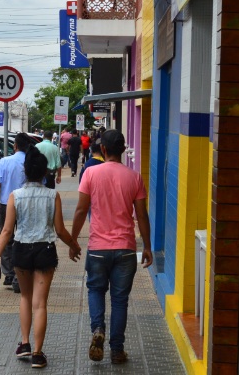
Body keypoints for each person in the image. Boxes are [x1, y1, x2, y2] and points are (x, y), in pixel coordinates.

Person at [0, 146, 80, 369]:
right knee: (40, 304)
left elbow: (7, 231)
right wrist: (74, 245)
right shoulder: (53, 195)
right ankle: (38, 354)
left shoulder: (15, 196)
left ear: (25, 171)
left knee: (25, 299)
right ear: (44, 172)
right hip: (45, 251)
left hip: (21, 250)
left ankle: (24, 344)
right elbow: (59, 230)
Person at [69, 130, 152, 365]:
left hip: (97, 248)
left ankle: (98, 329)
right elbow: (142, 215)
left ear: (103, 150)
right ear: (123, 150)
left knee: (95, 290)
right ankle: (117, 350)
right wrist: (147, 246)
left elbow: (81, 210)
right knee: (119, 300)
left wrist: (73, 240)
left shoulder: (91, 173)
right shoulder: (134, 177)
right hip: (126, 249)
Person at [0, 132, 32, 292]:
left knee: (6, 237)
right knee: (23, 239)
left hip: (7, 204)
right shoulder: (30, 162)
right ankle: (17, 275)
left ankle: (9, 273)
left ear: (15, 146)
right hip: (26, 204)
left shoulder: (4, 162)